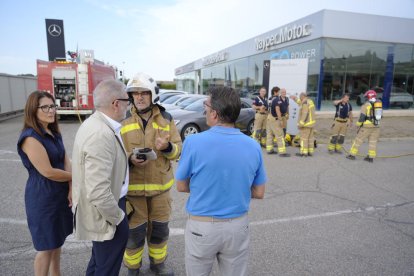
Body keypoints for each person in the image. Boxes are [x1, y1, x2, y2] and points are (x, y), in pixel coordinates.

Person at [176, 86, 267, 276]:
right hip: (237, 226)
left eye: (205, 105)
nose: (204, 110)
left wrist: (207, 187)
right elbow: (259, 192)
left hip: (202, 227)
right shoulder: (253, 145)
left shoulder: (193, 142)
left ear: (215, 114)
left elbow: (181, 185)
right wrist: (234, 188)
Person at [121, 73, 182, 276]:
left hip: (160, 191)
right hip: (133, 192)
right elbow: (114, 152)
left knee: (159, 230)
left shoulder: (166, 119)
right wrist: (129, 158)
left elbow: (178, 151)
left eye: (143, 93)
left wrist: (166, 147)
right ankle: (133, 269)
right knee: (134, 234)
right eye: (135, 93)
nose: (139, 97)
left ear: (152, 94)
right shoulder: (122, 119)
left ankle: (158, 265)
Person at [71, 79, 130, 275]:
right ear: (116, 103)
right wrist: (118, 217)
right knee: (107, 268)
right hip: (107, 212)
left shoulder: (97, 124)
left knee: (99, 262)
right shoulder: (101, 133)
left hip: (106, 209)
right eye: (127, 100)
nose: (128, 105)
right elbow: (98, 191)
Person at [17, 91, 72, 276]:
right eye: (45, 107)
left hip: (59, 194)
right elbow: (47, 171)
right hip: (43, 197)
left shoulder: (53, 131)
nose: (51, 111)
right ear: (33, 110)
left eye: (53, 106)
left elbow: (66, 160)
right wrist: (76, 178)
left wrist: (72, 187)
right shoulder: (30, 137)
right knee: (45, 247)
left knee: (57, 242)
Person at [346, 90, 382, 162]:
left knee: (358, 140)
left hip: (367, 126)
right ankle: (370, 157)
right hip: (376, 126)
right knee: (373, 142)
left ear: (368, 97)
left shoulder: (365, 105)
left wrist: (358, 125)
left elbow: (362, 117)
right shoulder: (379, 104)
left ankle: (352, 155)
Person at [266, 87, 290, 157]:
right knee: (280, 135)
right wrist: (281, 120)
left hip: (271, 118)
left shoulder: (286, 99)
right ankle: (282, 152)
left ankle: (269, 150)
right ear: (280, 93)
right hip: (275, 118)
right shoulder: (277, 100)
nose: (284, 93)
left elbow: (287, 107)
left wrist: (287, 114)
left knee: (270, 134)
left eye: (285, 92)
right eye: (282, 92)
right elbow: (277, 110)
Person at [290, 92, 316, 157]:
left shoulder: (305, 103)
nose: (300, 98)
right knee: (310, 139)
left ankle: (303, 153)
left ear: (302, 97)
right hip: (311, 124)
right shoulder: (310, 101)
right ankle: (310, 152)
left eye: (300, 97)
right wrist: (295, 99)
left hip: (306, 125)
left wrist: (300, 124)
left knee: (304, 139)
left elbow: (305, 114)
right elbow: (300, 103)